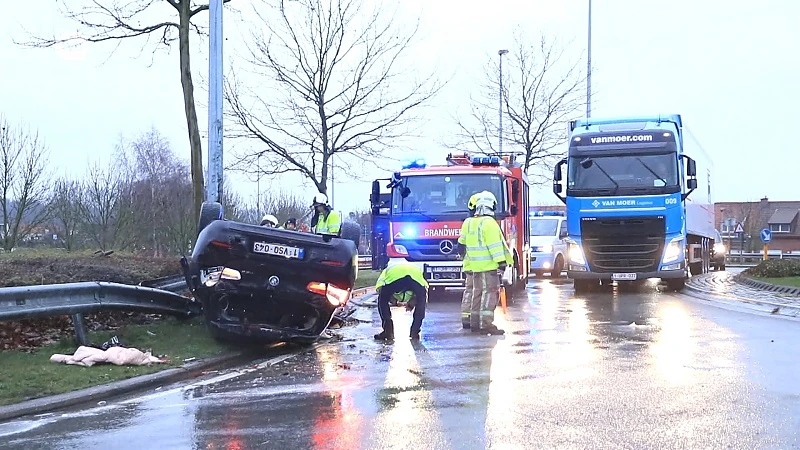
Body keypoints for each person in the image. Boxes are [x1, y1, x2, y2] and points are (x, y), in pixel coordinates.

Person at [457, 191, 513, 335]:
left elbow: (461, 245)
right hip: (488, 267)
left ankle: (474, 323)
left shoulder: (468, 222)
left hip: (474, 266)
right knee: (489, 294)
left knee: (477, 293)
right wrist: (501, 263)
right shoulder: (489, 223)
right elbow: (494, 245)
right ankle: (486, 324)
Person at [373, 261, 429, 341]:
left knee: (382, 301)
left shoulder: (386, 272)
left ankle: (388, 331)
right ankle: (415, 332)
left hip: (394, 279)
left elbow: (381, 290)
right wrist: (412, 303)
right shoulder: (416, 270)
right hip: (415, 278)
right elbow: (421, 293)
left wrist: (392, 300)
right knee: (421, 302)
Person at [458, 192, 481, 329]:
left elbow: (461, 246)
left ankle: (466, 318)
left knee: (469, 291)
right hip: (482, 267)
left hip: (469, 265)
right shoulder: (486, 223)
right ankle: (477, 320)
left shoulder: (467, 223)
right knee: (480, 293)